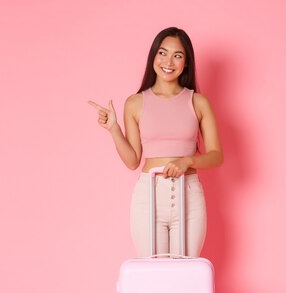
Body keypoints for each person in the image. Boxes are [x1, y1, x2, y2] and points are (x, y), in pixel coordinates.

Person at [89, 27, 222, 257]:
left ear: (186, 63)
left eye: (177, 55)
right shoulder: (135, 103)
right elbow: (133, 161)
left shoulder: (198, 102)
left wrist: (187, 161)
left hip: (188, 194)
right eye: (163, 53)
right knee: (153, 275)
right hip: (148, 195)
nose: (168, 61)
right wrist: (113, 128)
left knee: (186, 274)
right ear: (153, 56)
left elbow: (216, 155)